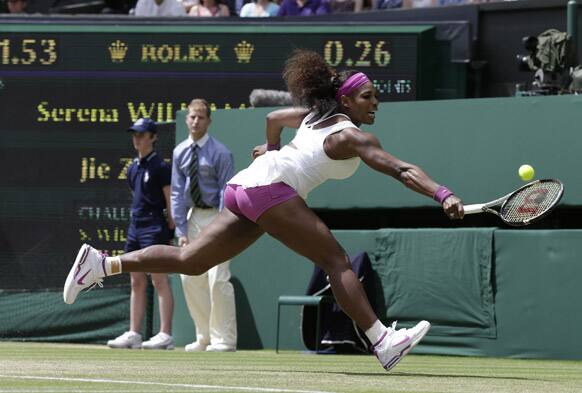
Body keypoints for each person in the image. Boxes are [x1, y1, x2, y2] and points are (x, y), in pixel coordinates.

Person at [64, 50, 464, 372]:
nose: (375, 102)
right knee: (336, 260)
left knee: (190, 260)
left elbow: (273, 119)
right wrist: (441, 192)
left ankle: (101, 265)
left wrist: (271, 150)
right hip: (268, 190)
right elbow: (401, 168)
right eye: (367, 96)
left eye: (376, 96)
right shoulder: (351, 135)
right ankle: (382, 340)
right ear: (345, 99)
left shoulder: (311, 117)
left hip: (245, 186)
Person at [171, 99, 237, 352]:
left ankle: (224, 340)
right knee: (189, 277)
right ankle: (204, 336)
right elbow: (177, 193)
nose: (195, 121)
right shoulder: (179, 152)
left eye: (200, 117)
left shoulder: (221, 152)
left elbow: (226, 190)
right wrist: (181, 230)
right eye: (191, 117)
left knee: (217, 279)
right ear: (186, 119)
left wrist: (223, 226)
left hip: (218, 218)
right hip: (193, 217)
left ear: (209, 121)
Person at [106, 118, 176, 350]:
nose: (137, 139)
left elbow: (169, 201)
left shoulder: (161, 167)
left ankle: (165, 334)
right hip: (135, 227)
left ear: (153, 137)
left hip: (154, 227)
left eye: (142, 134)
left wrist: (171, 228)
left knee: (158, 279)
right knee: (135, 280)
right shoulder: (133, 168)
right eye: (134, 134)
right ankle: (134, 333)